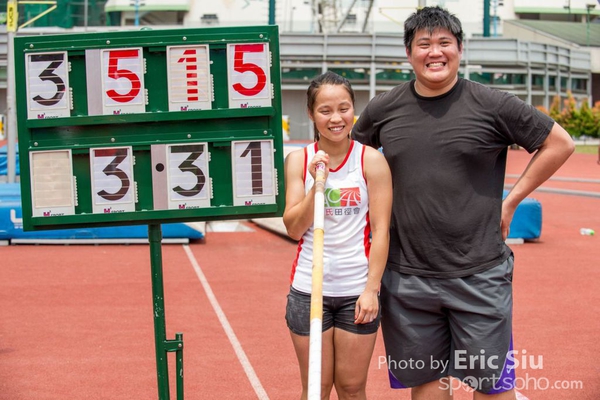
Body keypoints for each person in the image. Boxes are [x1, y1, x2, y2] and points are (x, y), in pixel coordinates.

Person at [352, 6, 575, 400]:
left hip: (480, 273)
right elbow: (352, 162)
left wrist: (511, 202)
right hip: (407, 278)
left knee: (491, 389)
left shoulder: (492, 104)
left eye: (444, 43)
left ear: (459, 49)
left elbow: (560, 143)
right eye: (424, 44)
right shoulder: (382, 110)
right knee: (426, 389)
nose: (434, 52)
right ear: (409, 53)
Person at [283, 71, 393, 399]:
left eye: (344, 109)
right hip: (308, 289)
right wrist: (318, 183)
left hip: (355, 292)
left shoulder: (370, 161)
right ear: (311, 114)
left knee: (351, 387)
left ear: (354, 111)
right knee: (315, 388)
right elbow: (293, 228)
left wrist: (372, 289)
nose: (336, 118)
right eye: (325, 110)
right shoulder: (299, 160)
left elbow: (382, 230)